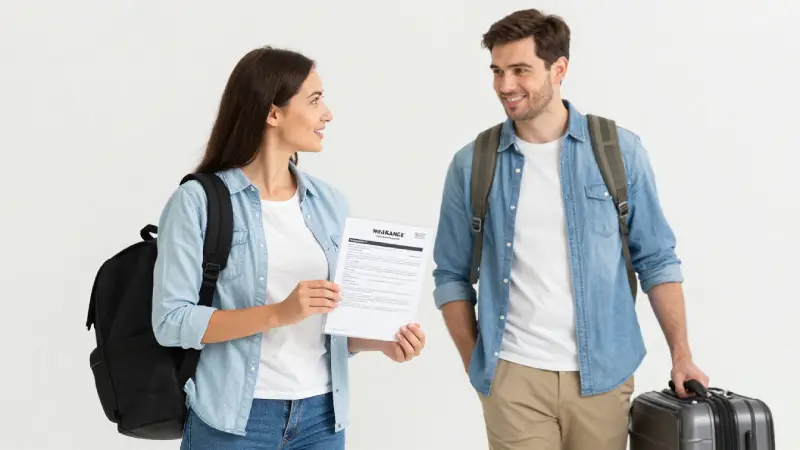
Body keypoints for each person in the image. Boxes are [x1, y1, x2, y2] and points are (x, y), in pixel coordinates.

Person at [431, 9, 708, 450]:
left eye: (521, 70)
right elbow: (450, 275)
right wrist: (480, 367)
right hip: (513, 377)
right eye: (498, 71)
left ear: (559, 68)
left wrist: (682, 356)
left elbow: (656, 259)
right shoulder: (472, 163)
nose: (505, 85)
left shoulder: (619, 152)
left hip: (604, 375)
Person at [151, 46, 426, 450]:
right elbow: (172, 321)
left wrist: (379, 341)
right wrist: (280, 312)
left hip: (321, 418)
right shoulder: (197, 201)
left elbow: (327, 326)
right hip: (235, 422)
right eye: (314, 100)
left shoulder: (329, 202)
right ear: (272, 113)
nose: (327, 113)